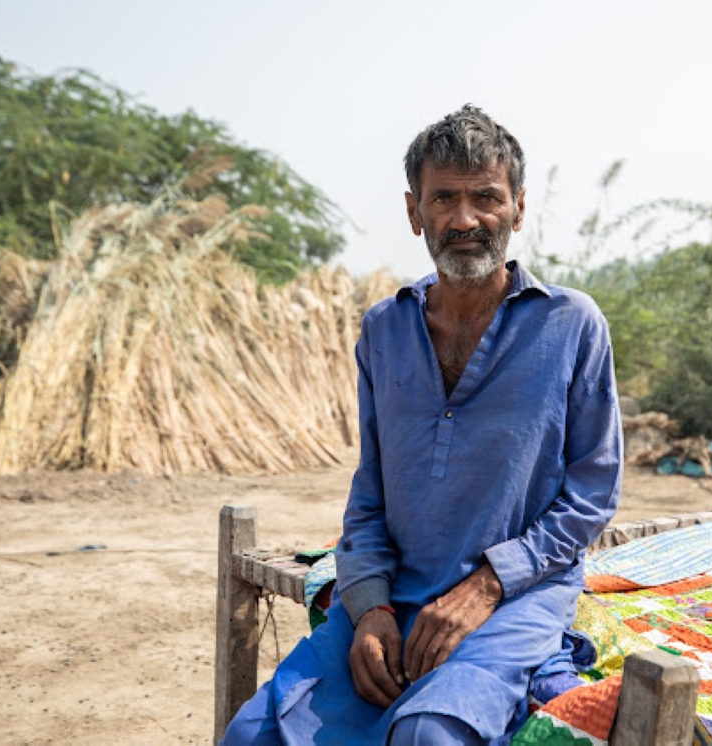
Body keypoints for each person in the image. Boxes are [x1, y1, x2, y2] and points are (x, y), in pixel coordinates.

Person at [222, 105, 622, 745]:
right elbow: (371, 493)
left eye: (486, 198)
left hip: (516, 602)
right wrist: (369, 606)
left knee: (426, 736)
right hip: (397, 597)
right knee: (251, 737)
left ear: (519, 209)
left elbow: (592, 495)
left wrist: (487, 587)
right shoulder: (385, 329)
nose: (465, 220)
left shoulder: (572, 323)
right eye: (444, 199)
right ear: (415, 213)